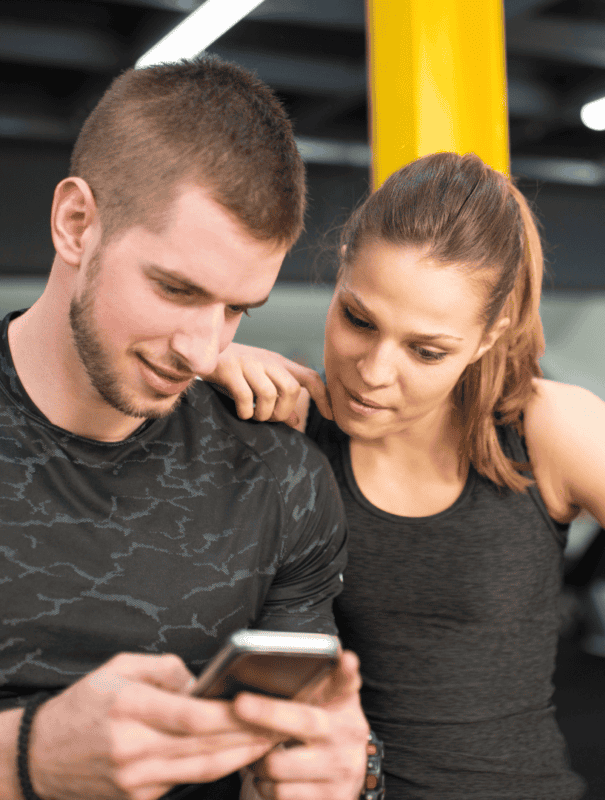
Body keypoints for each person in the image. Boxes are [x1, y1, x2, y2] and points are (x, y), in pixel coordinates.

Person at [208, 151, 605, 799]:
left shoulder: (549, 429)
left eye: (426, 351)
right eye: (357, 320)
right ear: (341, 266)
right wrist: (203, 355)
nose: (372, 370)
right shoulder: (286, 421)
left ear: (490, 334)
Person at [0, 57, 372, 800]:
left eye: (238, 309)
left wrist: (340, 777)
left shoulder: (279, 477)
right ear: (77, 223)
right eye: (177, 289)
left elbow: (299, 750)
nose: (204, 350)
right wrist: (24, 757)